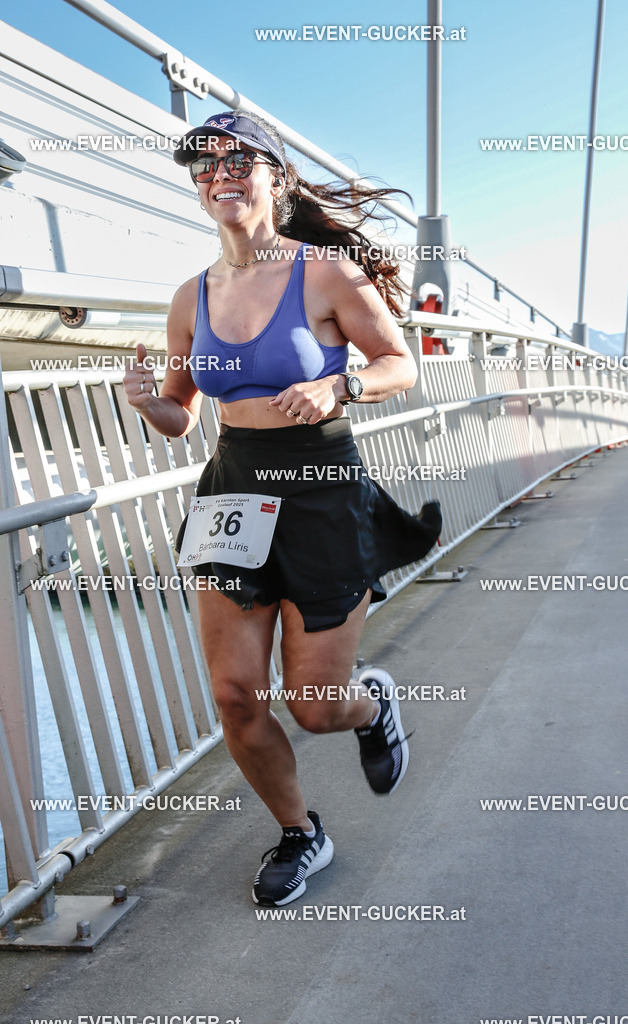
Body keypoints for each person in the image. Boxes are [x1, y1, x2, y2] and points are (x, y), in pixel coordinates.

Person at [123, 110, 441, 906]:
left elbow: (400, 362)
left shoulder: (327, 273)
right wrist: (144, 404)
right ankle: (302, 833)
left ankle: (368, 707)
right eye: (202, 163)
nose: (218, 171)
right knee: (235, 696)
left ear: (276, 176)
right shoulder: (190, 297)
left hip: (322, 490)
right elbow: (179, 412)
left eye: (238, 158)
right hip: (232, 488)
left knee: (315, 705)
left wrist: (340, 384)